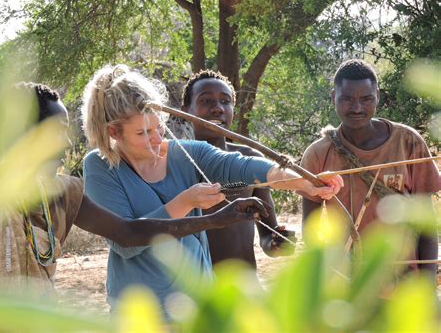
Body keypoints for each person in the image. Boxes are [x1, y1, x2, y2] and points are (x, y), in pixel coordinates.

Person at [81, 64, 343, 314]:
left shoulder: (185, 153)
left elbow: (245, 166)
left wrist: (307, 181)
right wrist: (189, 203)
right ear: (114, 132)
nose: (157, 138)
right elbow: (127, 240)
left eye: (158, 126)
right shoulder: (100, 166)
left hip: (198, 309)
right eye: (143, 133)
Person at [0, 82, 273, 290]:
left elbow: (128, 233)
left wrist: (215, 219)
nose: (66, 142)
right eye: (57, 131)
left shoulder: (62, 193)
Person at [300, 59, 440, 277]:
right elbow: (312, 231)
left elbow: (426, 223)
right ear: (333, 97)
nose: (357, 108)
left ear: (378, 97)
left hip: (405, 281)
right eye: (347, 99)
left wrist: (428, 284)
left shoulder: (408, 142)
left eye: (366, 99)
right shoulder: (318, 154)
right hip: (350, 284)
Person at [181, 70, 294, 269]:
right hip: (193, 291)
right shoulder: (174, 162)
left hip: (244, 290)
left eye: (225, 101)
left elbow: (267, 235)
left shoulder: (250, 159)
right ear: (185, 110)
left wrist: (277, 242)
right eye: (206, 101)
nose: (217, 108)